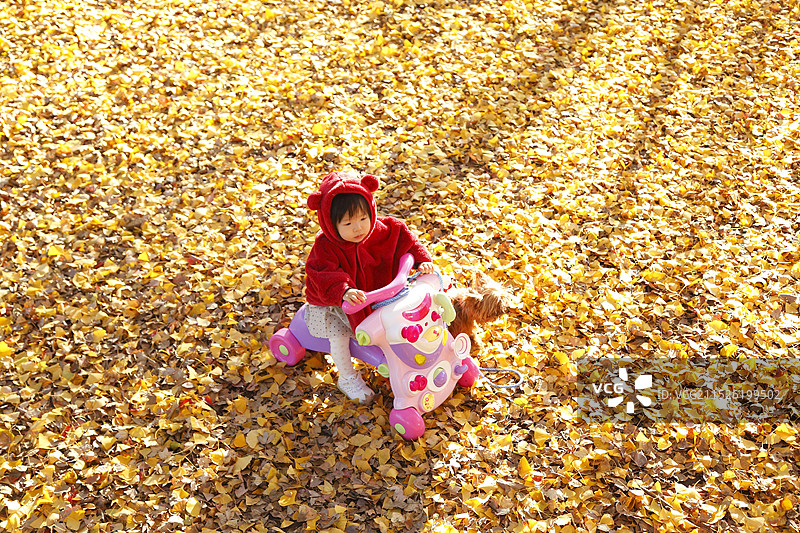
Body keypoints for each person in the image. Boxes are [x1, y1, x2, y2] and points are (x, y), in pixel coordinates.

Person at [304, 170, 435, 403]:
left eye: (363, 218)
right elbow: (323, 274)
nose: (358, 228)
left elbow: (408, 241)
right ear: (330, 223)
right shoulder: (325, 247)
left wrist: (422, 259)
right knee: (339, 334)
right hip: (336, 305)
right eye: (348, 223)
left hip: (379, 296)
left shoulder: (384, 230)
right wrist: (344, 290)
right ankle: (346, 377)